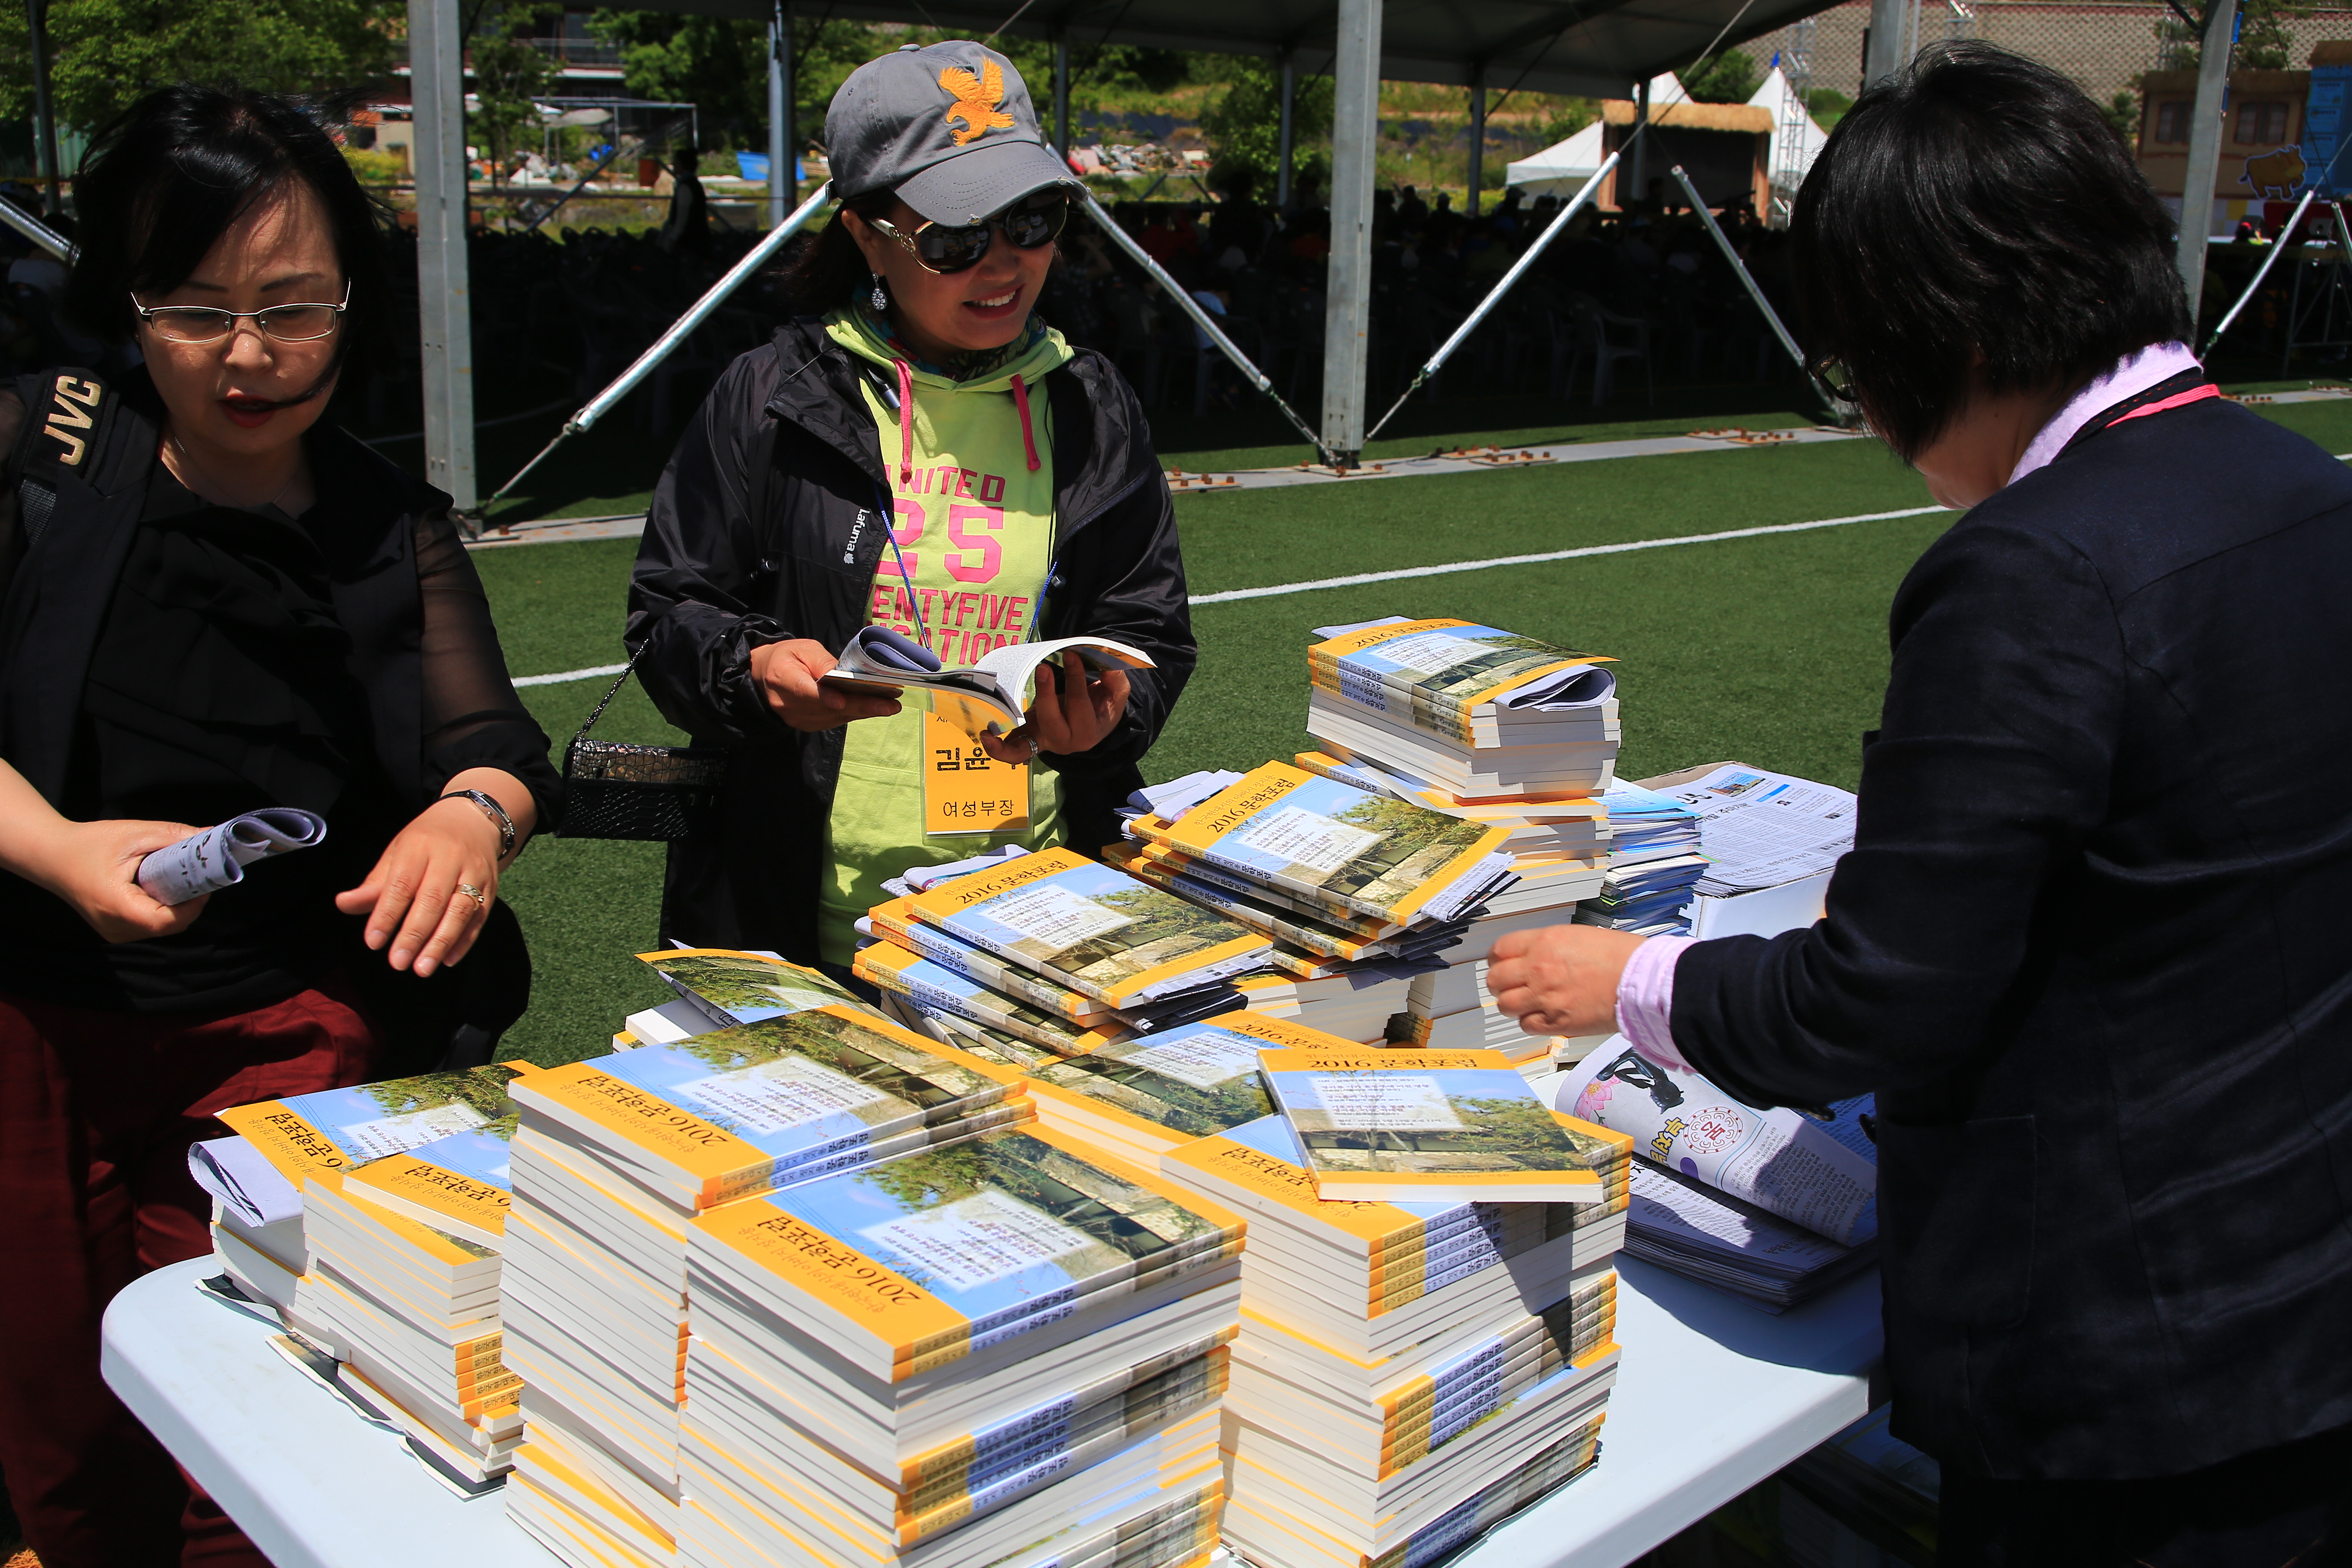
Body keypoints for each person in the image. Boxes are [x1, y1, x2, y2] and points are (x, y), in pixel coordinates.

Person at [1488, 44, 2352, 1566]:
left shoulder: (2031, 568)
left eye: (1857, 373)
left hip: (2124, 1358)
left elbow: (1876, 1002)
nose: (1877, 424)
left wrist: (1622, 980)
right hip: (2299, 1275)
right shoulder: (2303, 484)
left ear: (1939, 336)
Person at [0, 85, 559, 1568]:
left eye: (293, 308)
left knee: (255, 1406)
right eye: (196, 309)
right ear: (127, 300)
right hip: (33, 1017)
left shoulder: (388, 521)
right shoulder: (40, 455)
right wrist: (53, 847)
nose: (249, 354)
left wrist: (470, 819)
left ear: (348, 303)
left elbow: (497, 748)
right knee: (59, 1407)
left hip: (281, 1031)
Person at [627, 40, 1192, 974]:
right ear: (865, 234)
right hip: (800, 905)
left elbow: (1148, 625)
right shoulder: (769, 395)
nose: (1003, 264)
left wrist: (1111, 716)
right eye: (955, 239)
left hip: (1035, 906)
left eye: (1033, 220)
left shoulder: (1093, 404)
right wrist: (752, 669)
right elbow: (668, 613)